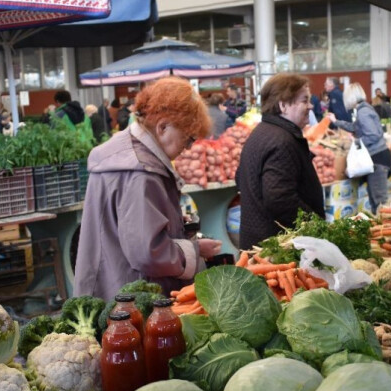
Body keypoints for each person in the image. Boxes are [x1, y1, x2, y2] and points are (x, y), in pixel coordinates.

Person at [74, 77, 221, 301]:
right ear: (162, 127)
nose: (187, 148)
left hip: (111, 284)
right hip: (130, 296)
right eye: (188, 138)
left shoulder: (125, 153)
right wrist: (195, 249)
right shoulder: (141, 172)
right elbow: (147, 253)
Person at [235, 73, 325, 249]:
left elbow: (239, 178)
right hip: (276, 249)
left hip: (258, 241)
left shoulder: (261, 132)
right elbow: (279, 198)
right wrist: (315, 225)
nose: (310, 106)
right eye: (304, 101)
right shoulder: (282, 141)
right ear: (283, 105)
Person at [330, 83, 391, 212]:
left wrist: (356, 142)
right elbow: (354, 127)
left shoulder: (363, 112)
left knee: (379, 202)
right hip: (378, 157)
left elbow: (373, 135)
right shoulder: (365, 109)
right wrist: (336, 121)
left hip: (377, 158)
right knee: (376, 201)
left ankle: (386, 228)